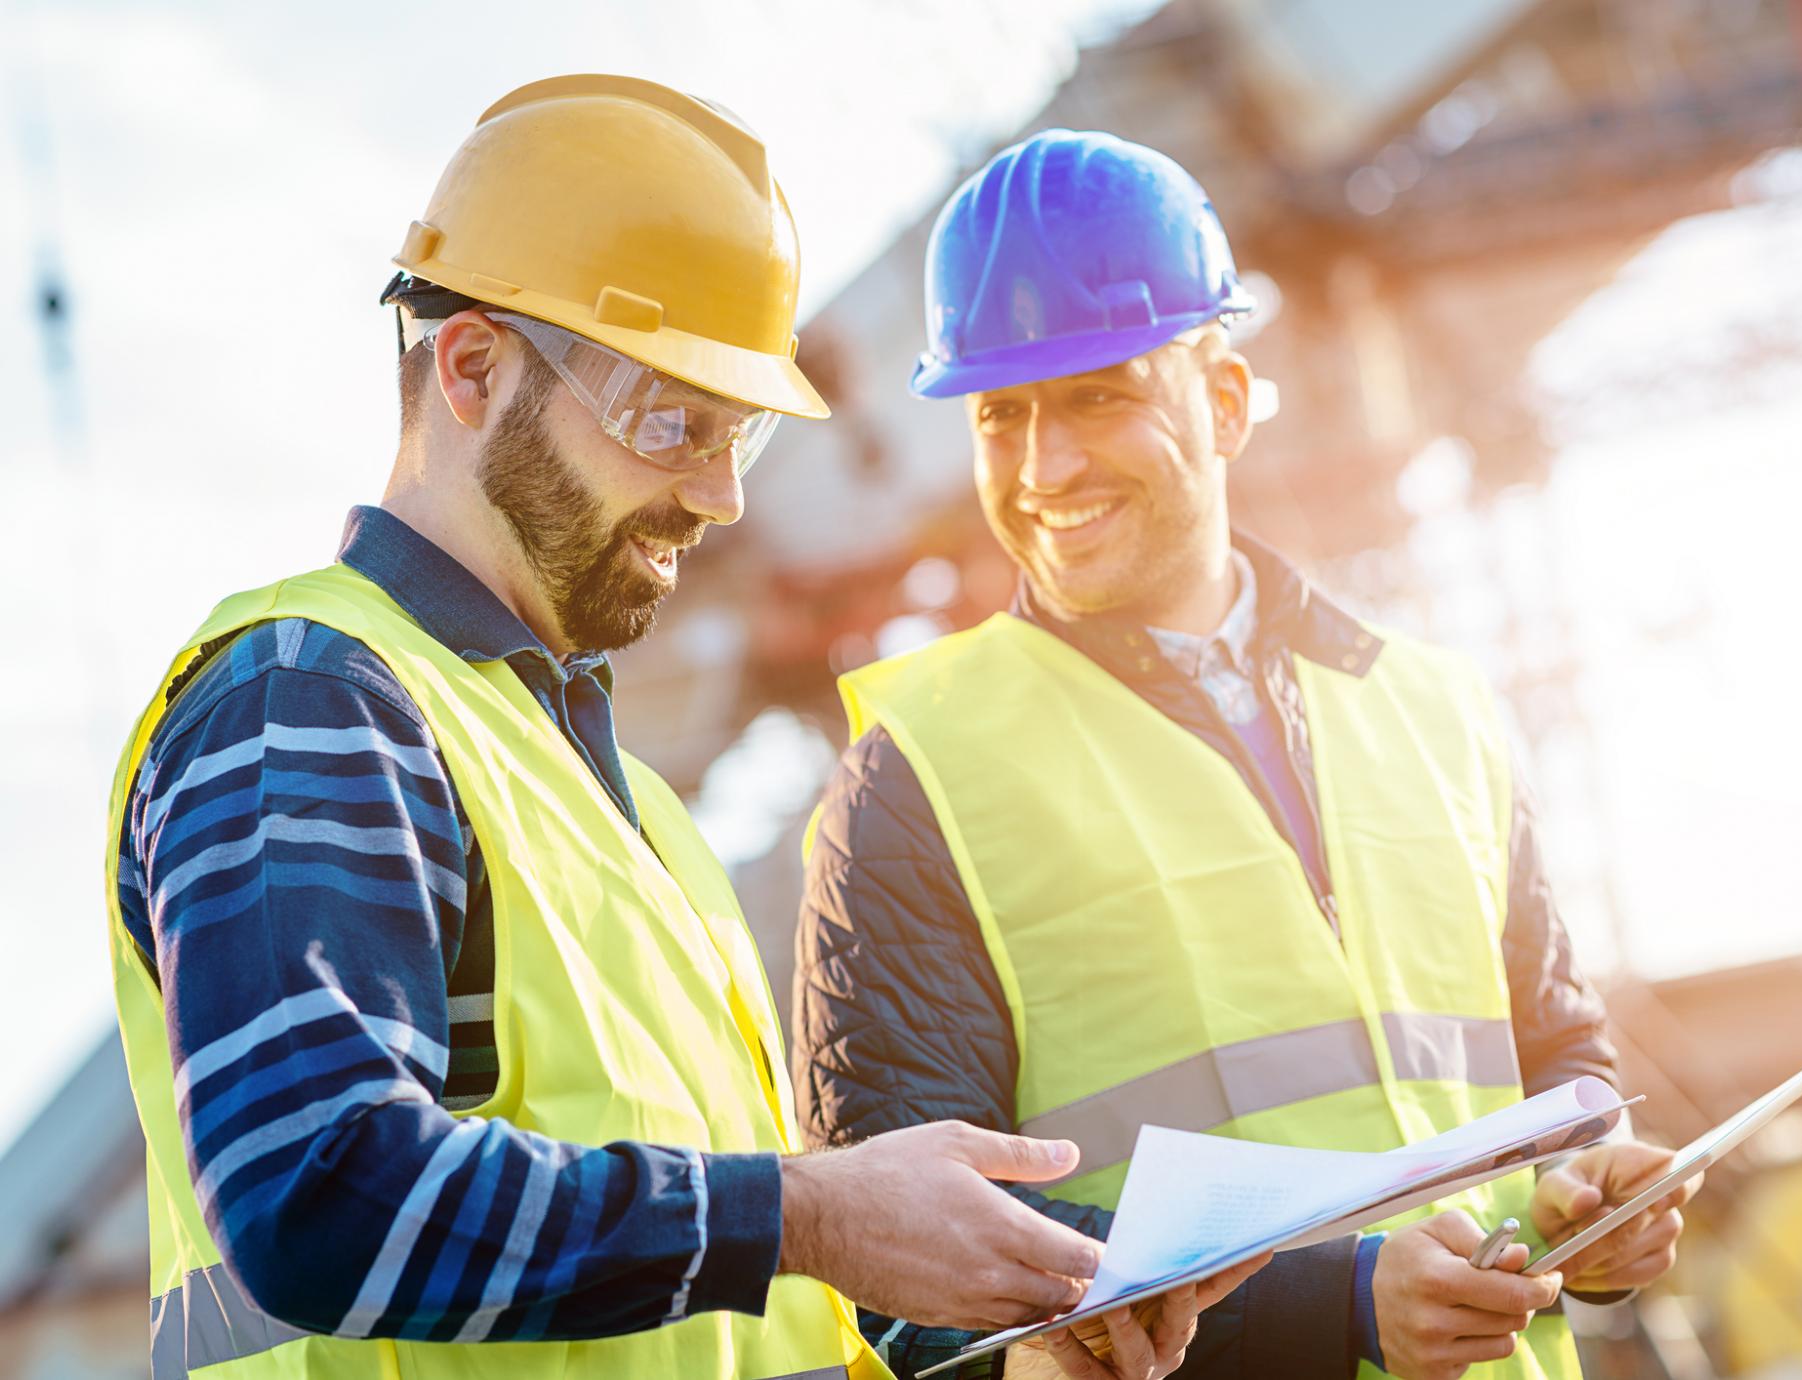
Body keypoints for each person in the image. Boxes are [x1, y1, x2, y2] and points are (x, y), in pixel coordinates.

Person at [107, 80, 1256, 1380]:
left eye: (741, 438)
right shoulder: (309, 694)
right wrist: (816, 1213)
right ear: (474, 369)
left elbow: (721, 1320)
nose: (715, 498)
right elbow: (316, 1193)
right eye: (671, 424)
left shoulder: (638, 820)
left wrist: (1015, 1354)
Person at [793, 129, 1697, 1380]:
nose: (1044, 468)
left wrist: (1583, 1195)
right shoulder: (916, 778)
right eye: (1002, 416)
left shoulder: (1435, 708)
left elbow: (1553, 1057)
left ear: (1222, 401)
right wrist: (1332, 1309)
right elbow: (913, 1273)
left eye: (1098, 396)